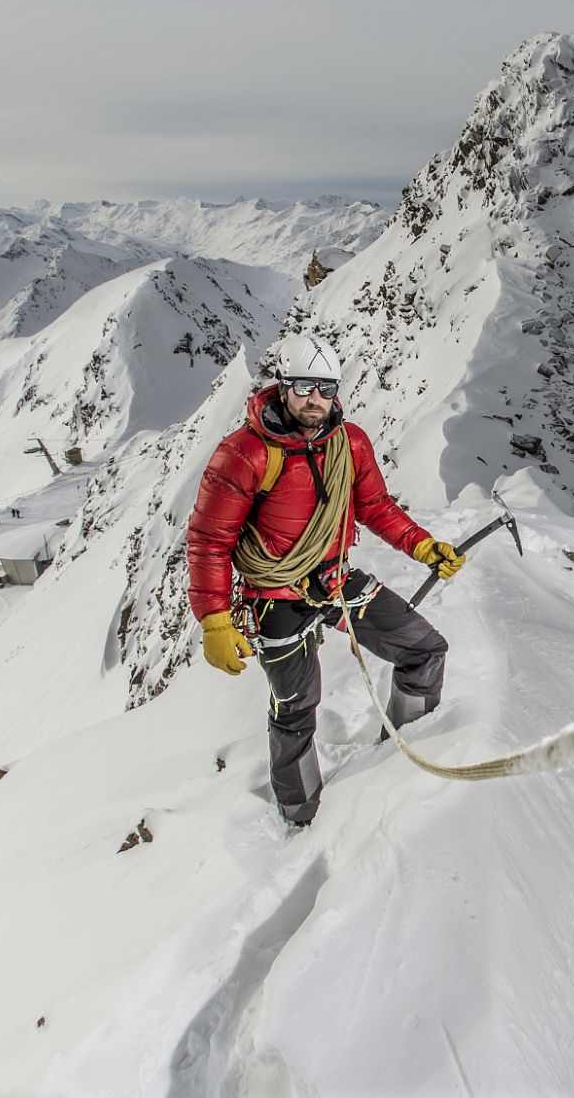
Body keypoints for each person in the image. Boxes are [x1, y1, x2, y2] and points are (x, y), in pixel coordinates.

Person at [187, 333, 463, 828]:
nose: (316, 398)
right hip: (276, 597)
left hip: (335, 579)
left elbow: (374, 506)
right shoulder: (245, 454)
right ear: (283, 387)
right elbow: (210, 540)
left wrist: (423, 545)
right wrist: (214, 620)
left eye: (326, 388)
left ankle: (400, 762)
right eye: (305, 386)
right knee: (296, 707)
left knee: (424, 650)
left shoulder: (349, 442)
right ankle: (300, 815)